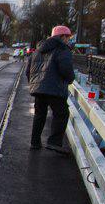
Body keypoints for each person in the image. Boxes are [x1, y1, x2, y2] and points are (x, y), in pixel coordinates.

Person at [26, 25, 75, 153]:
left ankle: (35, 142)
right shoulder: (62, 49)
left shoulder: (38, 49)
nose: (68, 40)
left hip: (39, 88)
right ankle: (54, 142)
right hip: (55, 87)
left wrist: (33, 83)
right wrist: (70, 79)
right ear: (62, 37)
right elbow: (66, 68)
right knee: (62, 113)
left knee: (39, 115)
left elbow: (28, 69)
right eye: (67, 37)